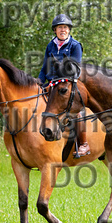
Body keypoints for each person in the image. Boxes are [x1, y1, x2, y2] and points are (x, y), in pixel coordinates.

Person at [38, 14, 90, 157]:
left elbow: (74, 69)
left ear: (69, 30)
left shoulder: (75, 46)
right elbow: (44, 68)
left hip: (69, 83)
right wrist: (39, 82)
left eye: (65, 28)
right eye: (60, 27)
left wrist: (55, 84)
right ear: (55, 30)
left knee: (76, 112)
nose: (63, 30)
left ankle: (84, 144)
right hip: (52, 84)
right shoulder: (51, 45)